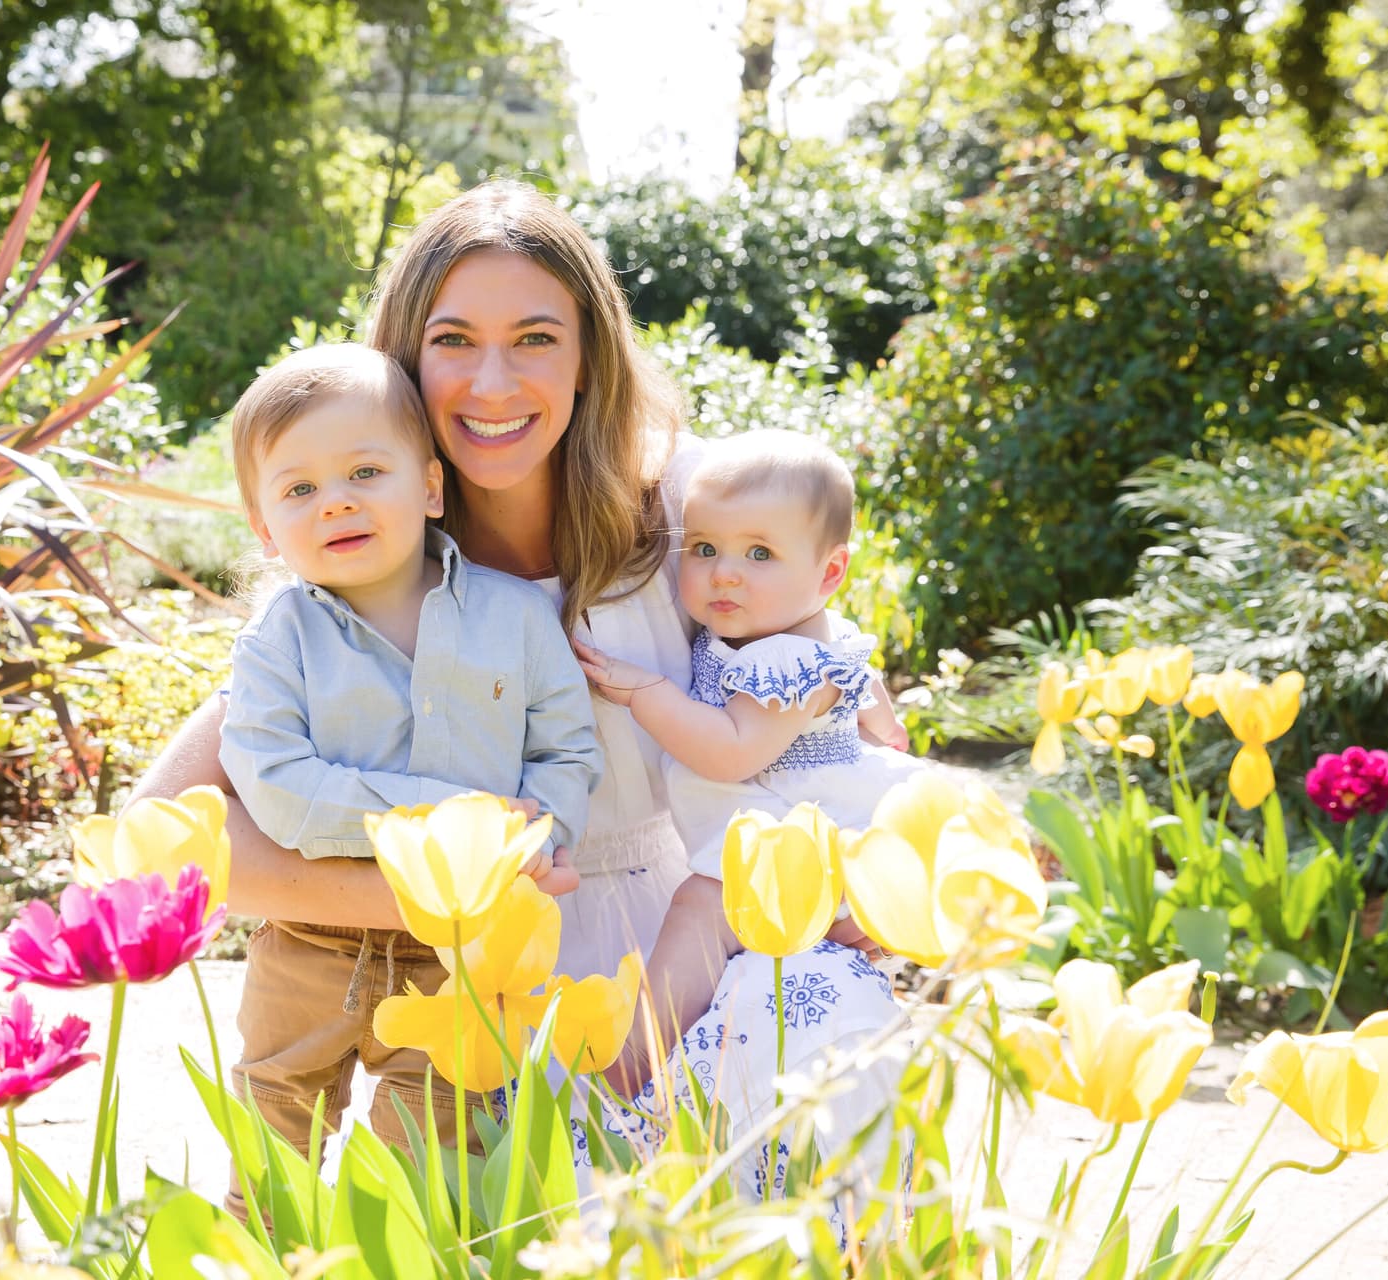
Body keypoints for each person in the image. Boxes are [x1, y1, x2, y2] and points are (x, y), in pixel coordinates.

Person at [133, 180, 899, 1199]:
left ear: (590, 358)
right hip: (485, 970)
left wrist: (881, 858)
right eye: (454, 339)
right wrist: (449, 896)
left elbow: (839, 669)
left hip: (691, 931)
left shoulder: (688, 509)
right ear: (405, 363)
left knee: (812, 1044)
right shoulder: (370, 559)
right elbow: (168, 838)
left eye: (536, 337)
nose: (493, 382)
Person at [214, 342, 601, 1214]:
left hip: (461, 958)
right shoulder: (277, 641)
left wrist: (541, 831)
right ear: (264, 526)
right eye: (300, 489)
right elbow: (279, 788)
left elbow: (567, 751)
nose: (336, 500)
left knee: (428, 1155)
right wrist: (458, 824)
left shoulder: (516, 619)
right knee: (274, 1134)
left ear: (429, 488)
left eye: (363, 471)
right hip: (310, 939)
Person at [574, 430, 922, 1207]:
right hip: (773, 836)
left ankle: (632, 1068)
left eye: (760, 554)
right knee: (708, 908)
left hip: (791, 841)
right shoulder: (762, 632)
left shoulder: (786, 660)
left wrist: (641, 690)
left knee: (702, 905)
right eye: (702, 548)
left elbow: (730, 752)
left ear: (829, 572)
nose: (725, 572)